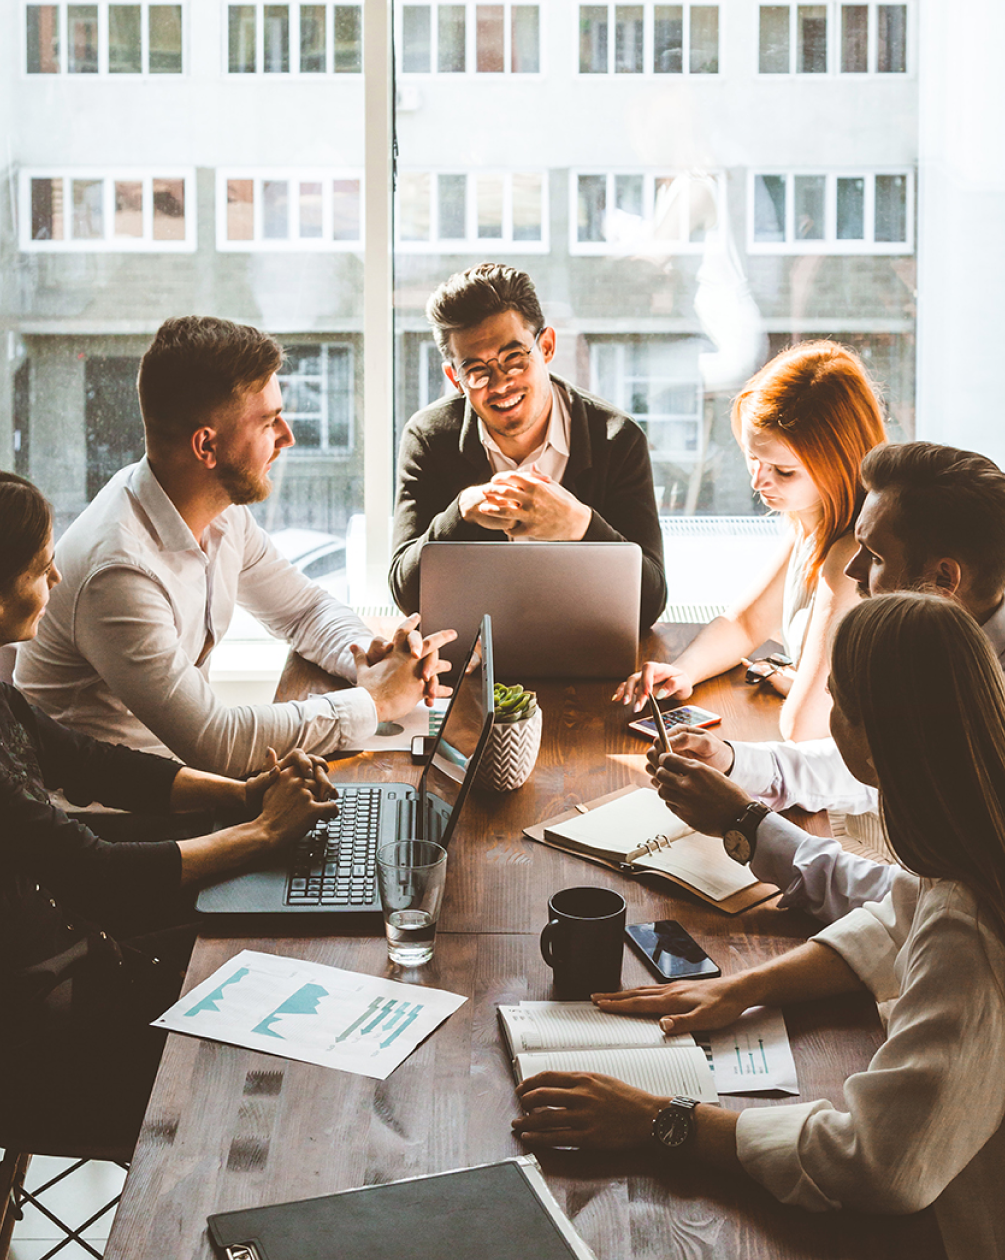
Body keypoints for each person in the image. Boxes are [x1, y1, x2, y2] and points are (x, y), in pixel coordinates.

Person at [513, 593, 1005, 1260]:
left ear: (875, 739)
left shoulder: (974, 931)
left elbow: (882, 1166)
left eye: (837, 701)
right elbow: (898, 912)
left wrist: (662, 1119)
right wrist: (742, 987)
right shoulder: (975, 832)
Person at [0, 469, 338, 1158]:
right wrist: (263, 830)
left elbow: (93, 762)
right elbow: (98, 875)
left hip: (67, 957)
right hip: (31, 1041)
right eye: (40, 568)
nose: (57, 578)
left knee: (277, 954)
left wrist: (238, 794)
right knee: (279, 1036)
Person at [16, 316, 454, 778]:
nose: (288, 436)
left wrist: (376, 656)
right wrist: (374, 700)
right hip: (111, 823)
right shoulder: (119, 572)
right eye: (268, 422)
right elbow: (216, 741)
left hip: (180, 786)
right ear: (207, 445)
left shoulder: (220, 511)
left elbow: (303, 611)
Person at [657, 441, 1005, 922]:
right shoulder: (942, 649)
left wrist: (746, 825)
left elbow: (917, 910)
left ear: (943, 579)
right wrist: (736, 762)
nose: (851, 570)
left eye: (876, 556)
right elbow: (890, 756)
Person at [614, 339, 885, 741]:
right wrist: (685, 670)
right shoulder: (811, 524)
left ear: (838, 462)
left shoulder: (852, 556)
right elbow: (746, 623)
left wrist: (793, 683)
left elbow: (804, 726)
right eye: (753, 458)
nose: (758, 482)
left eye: (783, 471)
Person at [389, 262, 667, 630]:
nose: (500, 384)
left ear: (547, 346)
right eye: (477, 370)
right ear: (454, 378)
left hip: (585, 644)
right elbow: (405, 594)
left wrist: (579, 525)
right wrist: (460, 515)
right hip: (473, 655)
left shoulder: (617, 440)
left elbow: (650, 604)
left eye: (514, 359)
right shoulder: (429, 438)